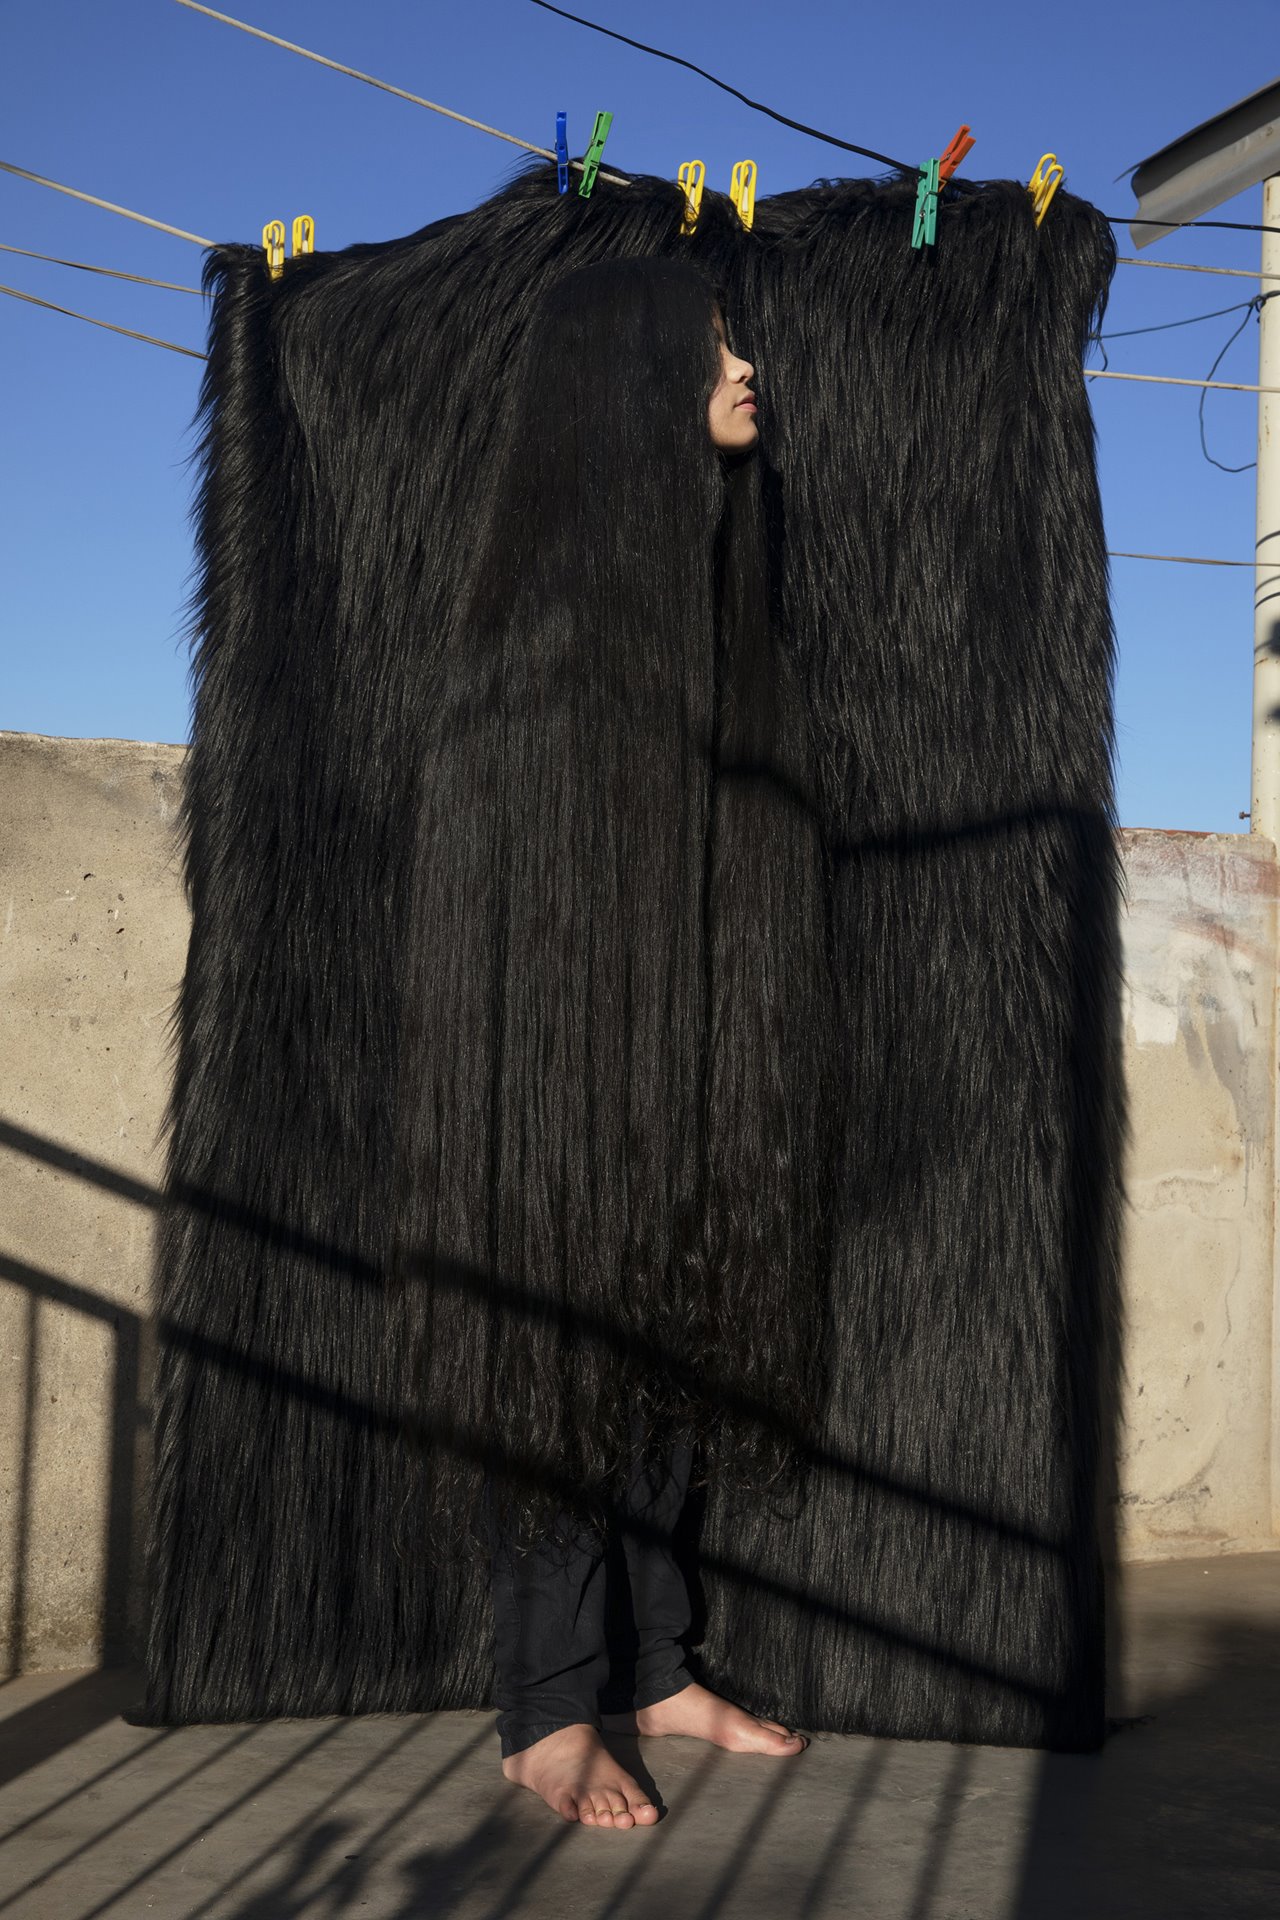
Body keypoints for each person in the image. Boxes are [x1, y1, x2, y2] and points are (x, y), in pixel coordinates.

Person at [397, 254, 824, 1829]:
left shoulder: (706, 604)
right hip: (565, 1073)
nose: (742, 367)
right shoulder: (551, 632)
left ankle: (656, 1669)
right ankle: (546, 1712)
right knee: (562, 1366)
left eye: (737, 339)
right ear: (619, 384)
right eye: (711, 346)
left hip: (692, 1048)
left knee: (672, 1349)